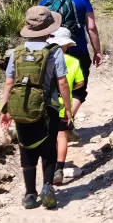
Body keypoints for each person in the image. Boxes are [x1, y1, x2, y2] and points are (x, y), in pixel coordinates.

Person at [0, 6, 73, 210]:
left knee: (26, 149)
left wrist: (5, 110)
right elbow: (63, 82)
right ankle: (48, 186)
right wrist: (67, 109)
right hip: (48, 108)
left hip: (21, 107)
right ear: (49, 29)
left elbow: (9, 82)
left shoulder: (17, 52)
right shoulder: (54, 51)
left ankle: (30, 194)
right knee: (49, 148)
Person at [39, 0, 102, 138]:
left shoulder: (44, 1)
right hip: (77, 48)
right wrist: (97, 51)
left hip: (49, 50)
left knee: (52, 87)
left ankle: (50, 125)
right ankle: (66, 123)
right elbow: (91, 27)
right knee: (79, 89)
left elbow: (38, 29)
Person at [44, 26, 85, 186]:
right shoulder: (74, 62)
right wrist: (69, 91)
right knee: (62, 136)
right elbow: (80, 83)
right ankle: (59, 169)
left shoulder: (46, 59)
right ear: (67, 45)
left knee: (49, 136)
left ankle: (49, 167)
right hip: (63, 105)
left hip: (47, 103)